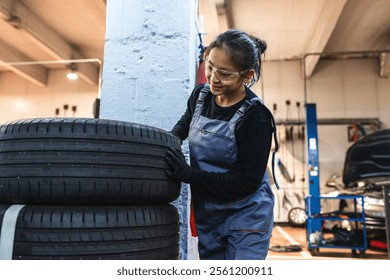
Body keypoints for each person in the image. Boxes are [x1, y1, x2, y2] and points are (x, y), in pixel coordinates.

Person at [165, 29, 279, 260]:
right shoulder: (201, 95)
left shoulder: (256, 118)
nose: (213, 78)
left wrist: (189, 174)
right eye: (210, 66)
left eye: (224, 73)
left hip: (247, 214)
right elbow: (187, 122)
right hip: (211, 211)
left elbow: (245, 182)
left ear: (247, 76)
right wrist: (166, 142)